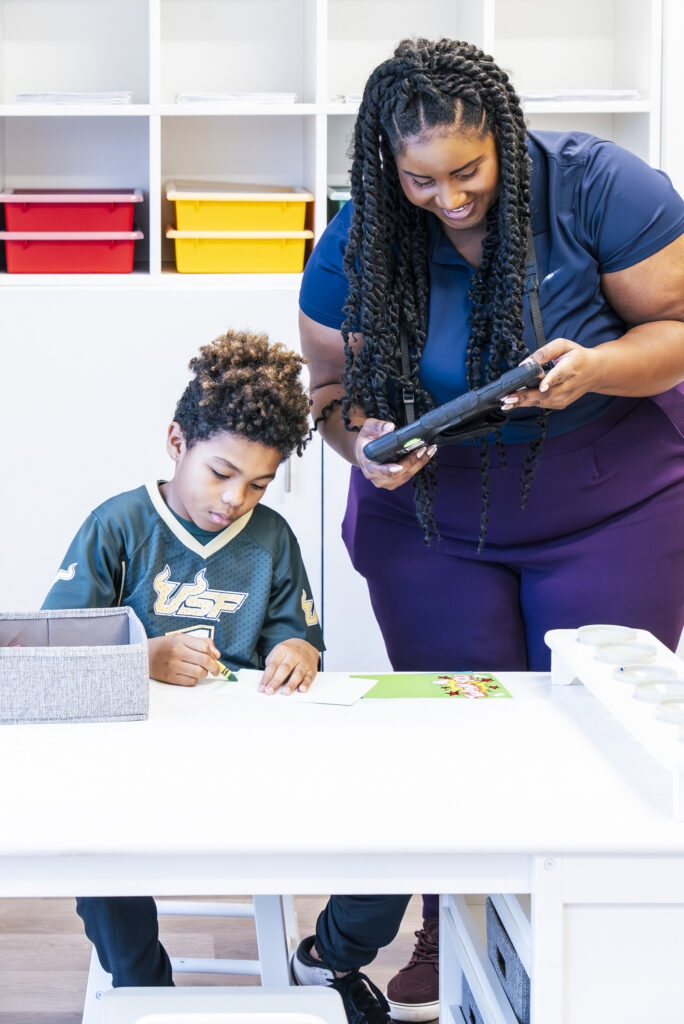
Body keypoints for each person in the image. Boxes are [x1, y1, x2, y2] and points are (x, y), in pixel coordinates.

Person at [297, 37, 684, 1022]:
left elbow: (675, 335)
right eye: (420, 178)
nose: (448, 197)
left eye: (466, 171)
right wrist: (365, 446)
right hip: (430, 520)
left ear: (504, 139)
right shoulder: (358, 238)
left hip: (613, 504)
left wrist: (595, 368)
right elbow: (330, 395)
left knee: (592, 735)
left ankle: (587, 946)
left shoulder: (598, 187)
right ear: (388, 163)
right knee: (456, 742)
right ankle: (451, 931)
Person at [42, 330, 327, 988]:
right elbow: (52, 653)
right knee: (96, 848)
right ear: (177, 444)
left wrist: (296, 649)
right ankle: (145, 987)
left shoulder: (271, 538)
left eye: (258, 484)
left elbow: (300, 642)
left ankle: (329, 960)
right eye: (221, 473)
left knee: (381, 829)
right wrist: (143, 656)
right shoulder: (117, 525)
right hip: (129, 764)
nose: (235, 499)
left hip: (241, 760)